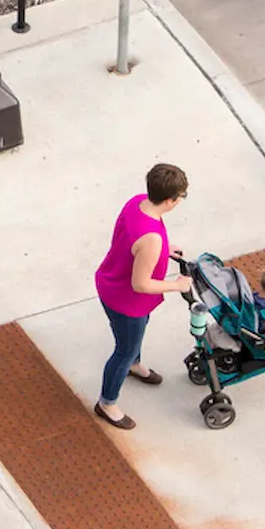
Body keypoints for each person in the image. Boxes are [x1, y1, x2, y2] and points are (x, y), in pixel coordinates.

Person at [92, 162, 195, 430]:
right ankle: (107, 403)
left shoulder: (137, 203)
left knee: (134, 340)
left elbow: (132, 242)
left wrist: (164, 251)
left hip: (113, 283)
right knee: (123, 351)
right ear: (171, 200)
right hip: (127, 302)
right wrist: (177, 285)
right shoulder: (151, 239)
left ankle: (135, 365)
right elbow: (140, 284)